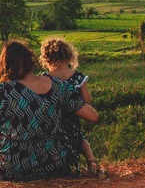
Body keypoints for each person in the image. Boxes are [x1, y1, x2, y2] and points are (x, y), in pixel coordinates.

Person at [0, 40, 99, 181]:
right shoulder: (58, 86)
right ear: (31, 60)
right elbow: (93, 116)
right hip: (54, 164)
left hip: (13, 168)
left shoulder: (3, 90)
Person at [40, 37, 101, 175]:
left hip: (52, 124)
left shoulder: (45, 78)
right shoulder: (78, 78)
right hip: (73, 122)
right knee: (81, 140)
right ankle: (91, 161)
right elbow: (87, 100)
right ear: (69, 57)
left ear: (46, 59)